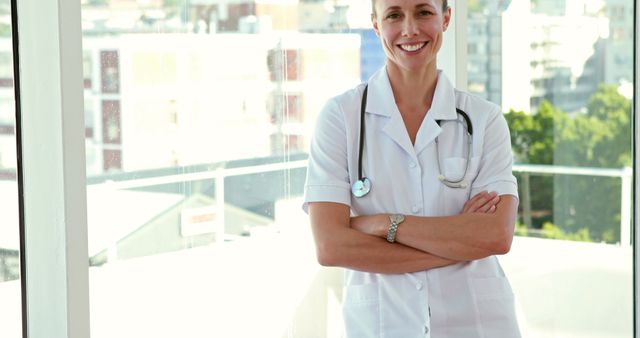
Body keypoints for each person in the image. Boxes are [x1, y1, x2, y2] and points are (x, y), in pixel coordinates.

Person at [303, 0, 521, 337]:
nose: (410, 29)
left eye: (424, 12)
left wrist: (383, 224)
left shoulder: (484, 119)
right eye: (394, 15)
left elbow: (495, 235)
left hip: (476, 324)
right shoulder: (341, 118)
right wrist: (458, 243)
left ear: (446, 18)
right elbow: (331, 246)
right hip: (383, 325)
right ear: (375, 24)